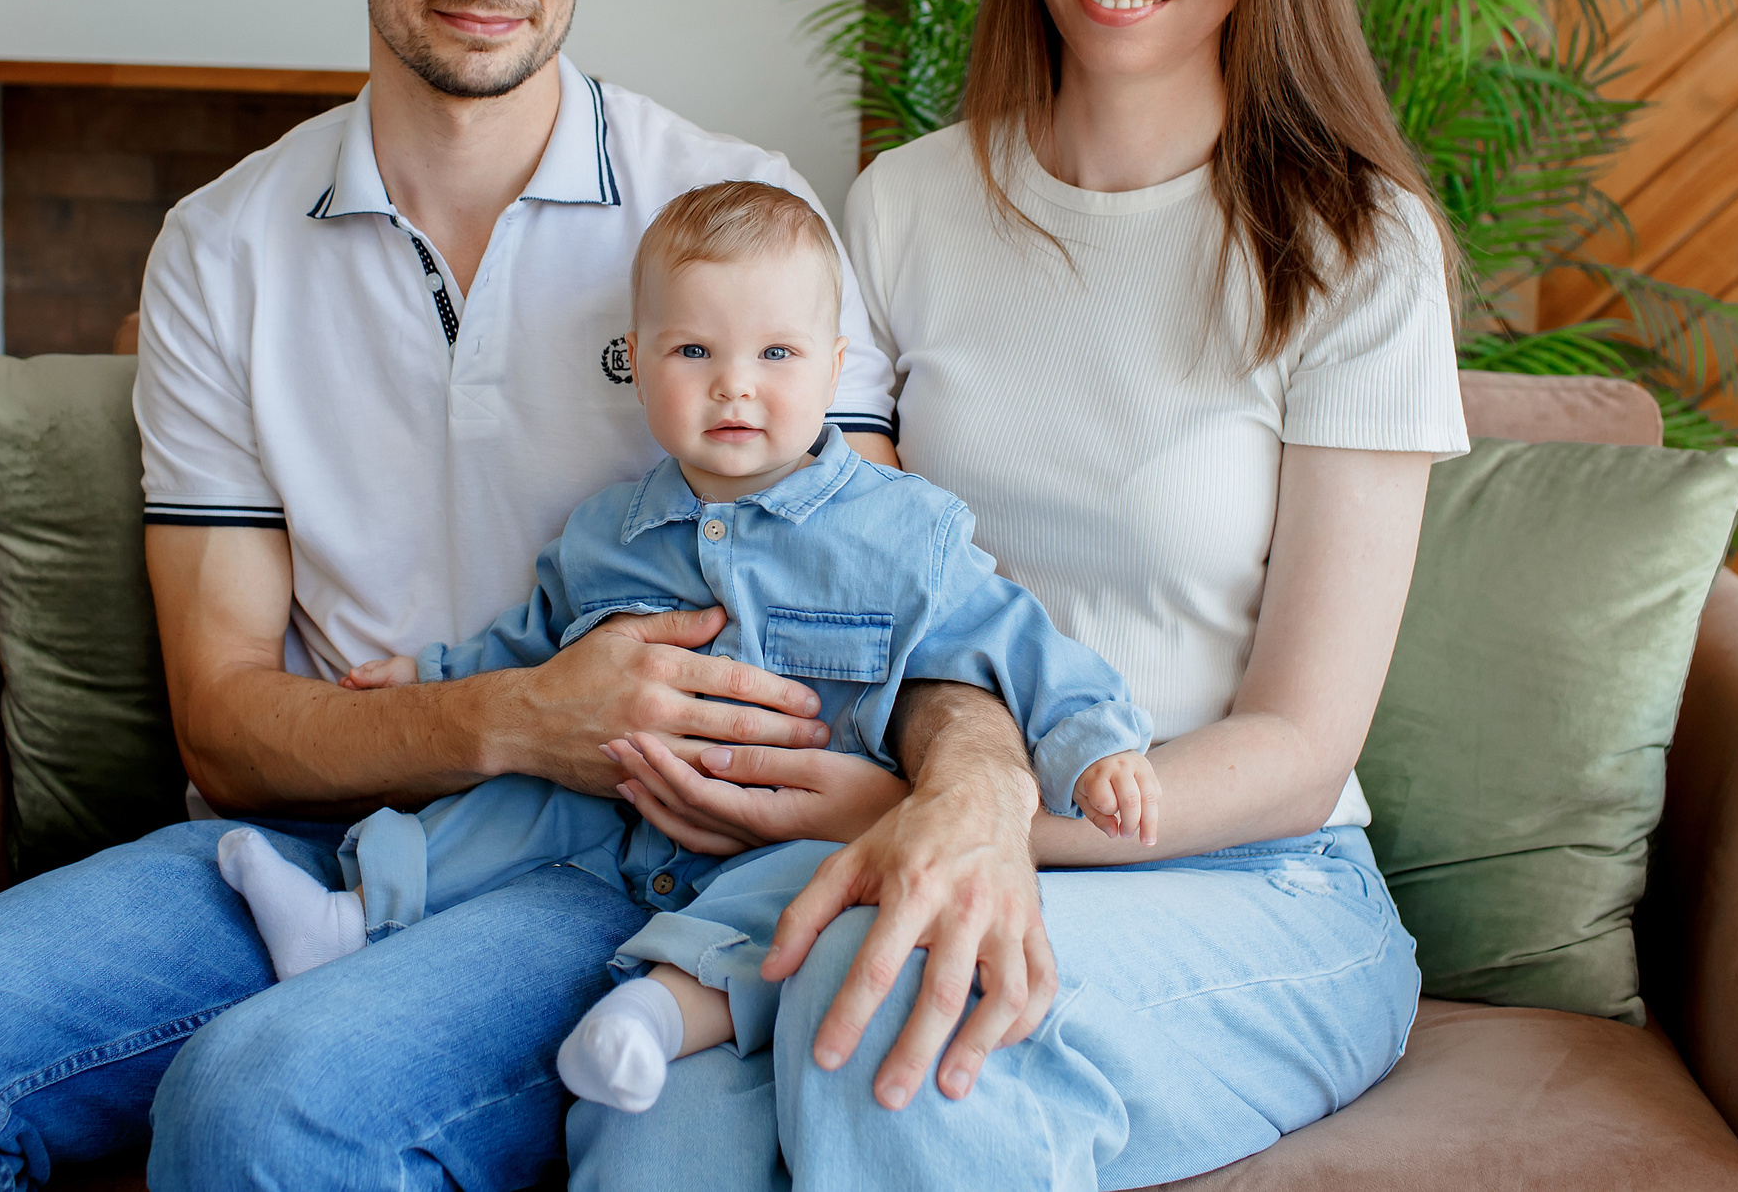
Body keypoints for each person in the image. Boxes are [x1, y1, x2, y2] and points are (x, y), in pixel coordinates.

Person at [0, 0, 1050, 1192]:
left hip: (615, 860)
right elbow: (225, 721)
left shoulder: (738, 217)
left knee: (262, 1103)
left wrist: (977, 778)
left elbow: (897, 585)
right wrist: (519, 710)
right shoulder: (221, 246)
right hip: (301, 845)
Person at [566, 0, 1468, 1190]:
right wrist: (918, 796)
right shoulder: (905, 205)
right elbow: (846, 572)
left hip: (1252, 881)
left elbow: (1303, 750)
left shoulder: (1355, 245)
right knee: (649, 1110)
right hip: (902, 812)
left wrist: (981, 824)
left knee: (904, 1017)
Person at [212, 179, 1162, 1115]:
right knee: (518, 793)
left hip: (792, 823)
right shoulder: (604, 532)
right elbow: (532, 647)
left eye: (777, 353)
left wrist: (1096, 746)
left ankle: (656, 1016)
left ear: (835, 370)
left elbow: (1014, 640)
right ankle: (351, 916)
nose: (735, 383)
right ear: (637, 359)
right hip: (623, 806)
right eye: (695, 349)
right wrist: (430, 673)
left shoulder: (901, 533)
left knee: (813, 897)